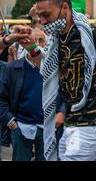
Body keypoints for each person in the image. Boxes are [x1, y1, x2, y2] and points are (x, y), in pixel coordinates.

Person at [28, 0, 96, 161]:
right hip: (70, 122)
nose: (43, 21)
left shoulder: (92, 35)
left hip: (93, 122)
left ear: (65, 8)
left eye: (46, 15)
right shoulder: (56, 40)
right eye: (40, 16)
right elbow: (46, 68)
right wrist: (29, 46)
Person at [0, 28, 47, 161]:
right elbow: (2, 98)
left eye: (41, 40)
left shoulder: (52, 67)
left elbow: (62, 94)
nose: (37, 43)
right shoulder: (13, 68)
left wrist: (60, 114)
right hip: (21, 127)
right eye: (34, 40)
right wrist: (9, 120)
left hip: (47, 128)